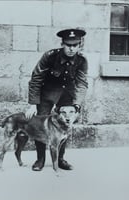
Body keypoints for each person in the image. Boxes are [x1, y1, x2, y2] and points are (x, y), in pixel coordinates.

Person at [26, 28, 89, 171]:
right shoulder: (50, 56)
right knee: (40, 125)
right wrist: (33, 104)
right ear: (62, 44)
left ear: (80, 45)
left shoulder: (82, 60)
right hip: (46, 94)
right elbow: (36, 78)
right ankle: (40, 159)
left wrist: (77, 104)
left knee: (64, 126)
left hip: (67, 96)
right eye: (68, 45)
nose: (71, 49)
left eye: (75, 45)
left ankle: (60, 159)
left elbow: (82, 83)